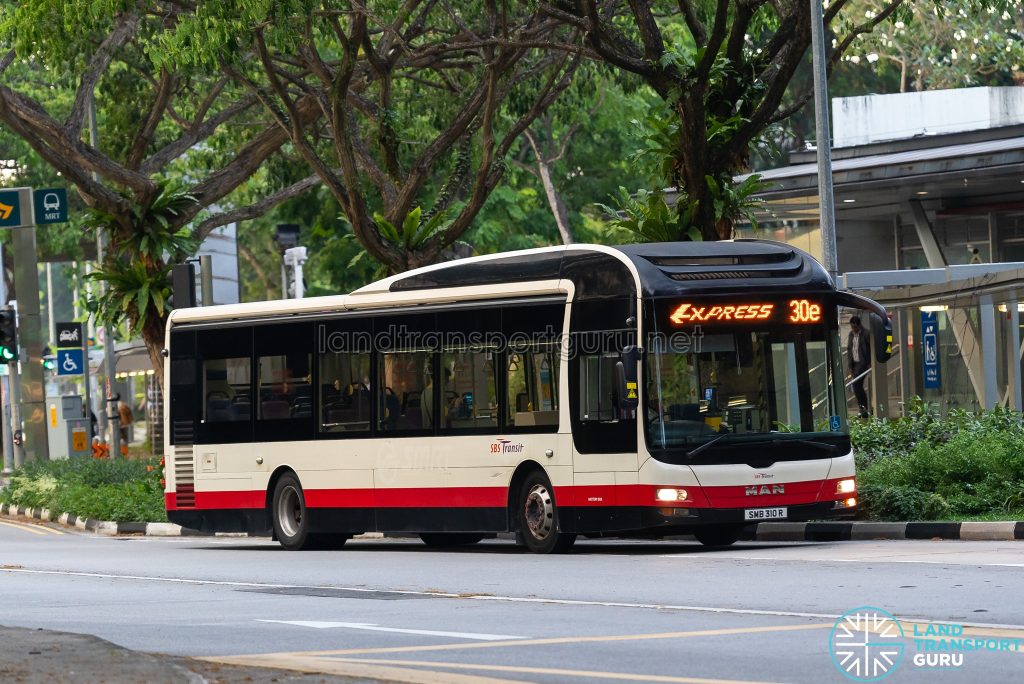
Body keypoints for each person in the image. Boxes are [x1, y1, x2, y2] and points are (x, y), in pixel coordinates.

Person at [847, 316, 871, 418]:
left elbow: (870, 348)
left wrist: (870, 362)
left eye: (855, 327)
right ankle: (863, 408)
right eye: (852, 327)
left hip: (863, 362)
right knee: (857, 386)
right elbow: (849, 349)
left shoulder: (865, 334)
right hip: (855, 363)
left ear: (859, 325)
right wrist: (850, 366)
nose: (854, 329)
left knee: (856, 384)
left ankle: (863, 408)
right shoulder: (851, 335)